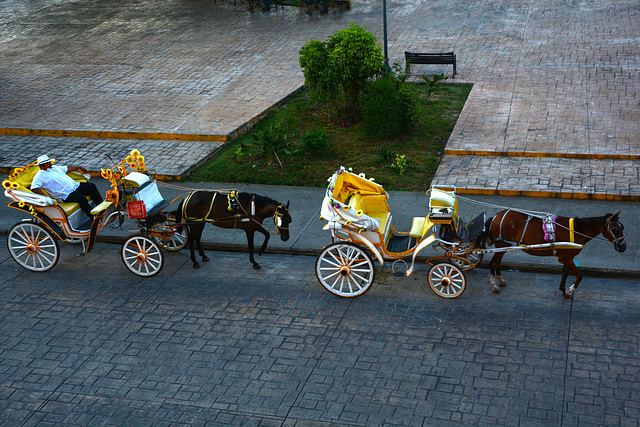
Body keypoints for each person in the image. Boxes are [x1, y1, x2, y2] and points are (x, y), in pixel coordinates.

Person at [30, 155, 103, 219]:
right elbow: (34, 188)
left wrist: (79, 167)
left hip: (74, 186)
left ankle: (101, 208)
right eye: (48, 163)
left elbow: (67, 168)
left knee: (91, 186)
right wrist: (45, 197)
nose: (50, 163)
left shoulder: (54, 168)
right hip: (65, 194)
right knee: (82, 199)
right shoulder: (39, 176)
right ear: (42, 166)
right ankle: (94, 218)